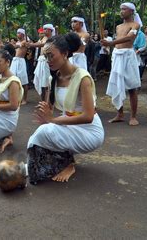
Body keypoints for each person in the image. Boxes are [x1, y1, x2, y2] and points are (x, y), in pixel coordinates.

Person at [26, 33, 104, 184]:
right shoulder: (53, 78)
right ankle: (65, 162)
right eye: (45, 56)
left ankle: (66, 163)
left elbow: (88, 116)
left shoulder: (83, 78)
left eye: (51, 56)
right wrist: (46, 115)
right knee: (39, 136)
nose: (48, 61)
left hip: (89, 131)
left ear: (65, 53)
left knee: (44, 132)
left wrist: (52, 120)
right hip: (68, 124)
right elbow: (50, 110)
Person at [101, 2, 142, 126]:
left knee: (132, 87)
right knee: (117, 84)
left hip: (128, 56)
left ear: (131, 11)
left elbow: (129, 38)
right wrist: (109, 45)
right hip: (118, 56)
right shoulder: (118, 27)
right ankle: (120, 114)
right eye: (121, 9)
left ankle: (133, 116)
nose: (121, 11)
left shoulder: (136, 24)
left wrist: (111, 43)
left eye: (124, 9)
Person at [30, 24, 55, 101]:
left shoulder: (53, 39)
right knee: (41, 82)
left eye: (46, 29)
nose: (44, 31)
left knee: (47, 83)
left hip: (48, 61)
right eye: (44, 29)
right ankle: (43, 101)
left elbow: (42, 44)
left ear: (50, 30)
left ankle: (49, 101)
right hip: (41, 61)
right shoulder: (43, 38)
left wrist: (30, 44)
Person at [10, 28, 29, 104]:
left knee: (24, 81)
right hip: (15, 61)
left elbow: (16, 47)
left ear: (23, 34)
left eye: (19, 33)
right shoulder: (18, 42)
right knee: (13, 79)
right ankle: (17, 98)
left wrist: (11, 44)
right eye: (17, 33)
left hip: (21, 61)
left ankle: (25, 99)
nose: (17, 34)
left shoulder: (24, 42)